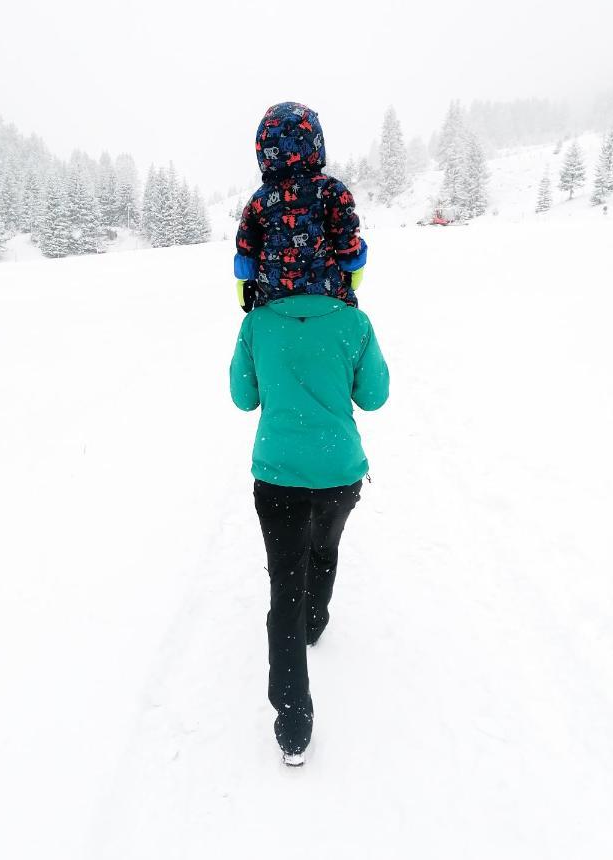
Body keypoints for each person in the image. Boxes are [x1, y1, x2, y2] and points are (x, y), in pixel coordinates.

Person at [229, 288, 389, 765]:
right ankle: (314, 624)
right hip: (338, 472)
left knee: (285, 586)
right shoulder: (353, 323)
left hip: (278, 475)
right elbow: (375, 397)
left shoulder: (258, 323)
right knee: (325, 547)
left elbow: (243, 397)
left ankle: (293, 728)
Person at [234, 102, 367, 313]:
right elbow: (346, 233)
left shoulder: (258, 201)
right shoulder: (331, 191)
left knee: (272, 326)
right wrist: (353, 266)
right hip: (328, 294)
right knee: (342, 320)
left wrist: (245, 280)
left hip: (273, 299)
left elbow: (246, 246)